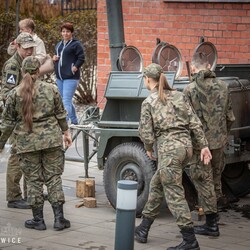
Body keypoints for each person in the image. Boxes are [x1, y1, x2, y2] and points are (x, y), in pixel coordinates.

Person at [135, 63, 212, 250]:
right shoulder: (179, 95)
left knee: (175, 195)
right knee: (157, 184)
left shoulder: (149, 102)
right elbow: (195, 122)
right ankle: (143, 228)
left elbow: (145, 132)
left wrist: (148, 148)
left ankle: (190, 241)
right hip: (186, 148)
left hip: (169, 151)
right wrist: (203, 146)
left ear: (147, 79)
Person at [0, 56, 72, 231]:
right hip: (52, 141)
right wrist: (66, 132)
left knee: (33, 180)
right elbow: (61, 113)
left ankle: (38, 220)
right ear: (38, 71)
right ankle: (59, 219)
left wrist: (1, 143)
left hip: (27, 143)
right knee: (54, 178)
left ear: (23, 71)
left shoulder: (14, 94)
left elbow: (7, 122)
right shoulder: (51, 89)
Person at [184, 52, 235, 210]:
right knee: (216, 175)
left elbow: (187, 121)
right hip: (218, 141)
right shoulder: (224, 86)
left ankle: (206, 215)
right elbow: (230, 117)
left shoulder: (189, 90)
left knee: (201, 178)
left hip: (199, 144)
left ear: (192, 68)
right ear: (208, 66)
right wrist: (223, 134)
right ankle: (216, 208)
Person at [1, 32, 36, 209]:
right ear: (18, 47)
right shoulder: (12, 65)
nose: (30, 51)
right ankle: (14, 197)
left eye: (31, 48)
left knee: (27, 154)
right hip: (15, 117)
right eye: (26, 48)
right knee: (17, 155)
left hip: (25, 115)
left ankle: (30, 192)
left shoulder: (27, 63)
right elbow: (7, 94)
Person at [53, 22, 85, 125]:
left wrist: (75, 67)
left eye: (68, 31)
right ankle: (75, 122)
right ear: (61, 33)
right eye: (63, 31)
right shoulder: (59, 44)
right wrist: (54, 58)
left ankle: (65, 125)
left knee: (65, 101)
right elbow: (57, 56)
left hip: (71, 77)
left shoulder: (76, 44)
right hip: (59, 78)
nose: (65, 33)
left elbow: (81, 57)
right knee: (66, 100)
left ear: (72, 32)